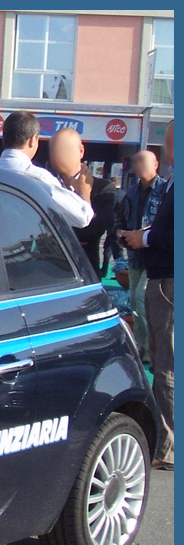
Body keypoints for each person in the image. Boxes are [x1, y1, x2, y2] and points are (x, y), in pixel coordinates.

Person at [120, 120, 174, 471]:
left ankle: (167, 445)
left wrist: (148, 238)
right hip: (159, 276)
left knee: (167, 364)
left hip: (169, 281)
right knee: (161, 357)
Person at [0, 110, 94, 228]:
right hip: (24, 243)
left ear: (3, 138)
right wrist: (84, 193)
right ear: (33, 140)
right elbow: (82, 217)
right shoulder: (39, 178)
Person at [115, 150, 168, 363]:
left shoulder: (165, 190)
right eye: (136, 161)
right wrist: (121, 234)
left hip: (156, 256)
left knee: (141, 297)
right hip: (135, 257)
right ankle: (141, 346)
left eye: (143, 161)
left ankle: (151, 347)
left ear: (156, 164)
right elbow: (119, 218)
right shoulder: (131, 193)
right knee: (135, 305)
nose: (139, 166)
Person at [48, 128, 117, 274]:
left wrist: (83, 196)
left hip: (86, 271)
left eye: (65, 149)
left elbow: (93, 231)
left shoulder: (102, 188)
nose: (58, 155)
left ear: (81, 151)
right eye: (54, 150)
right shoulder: (47, 185)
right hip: (50, 271)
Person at [102, 176, 126, 275]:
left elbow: (109, 210)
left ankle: (109, 270)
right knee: (115, 248)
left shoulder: (112, 195)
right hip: (121, 225)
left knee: (111, 249)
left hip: (112, 225)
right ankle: (118, 271)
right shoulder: (125, 194)